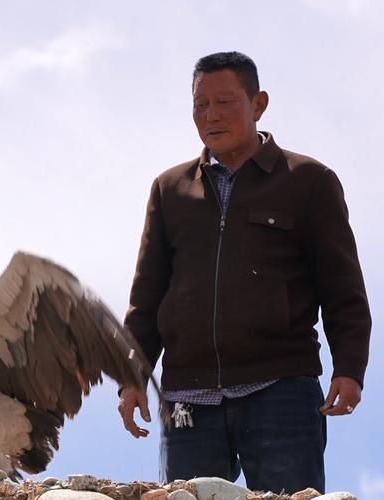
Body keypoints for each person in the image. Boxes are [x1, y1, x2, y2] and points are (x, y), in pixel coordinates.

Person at [118, 51, 371, 493]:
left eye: (225, 102)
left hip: (281, 389)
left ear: (258, 104)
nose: (211, 115)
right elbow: (147, 297)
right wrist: (132, 376)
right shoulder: (170, 189)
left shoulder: (309, 181)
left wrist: (349, 369)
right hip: (188, 397)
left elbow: (343, 289)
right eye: (200, 105)